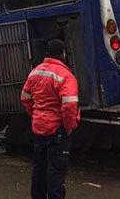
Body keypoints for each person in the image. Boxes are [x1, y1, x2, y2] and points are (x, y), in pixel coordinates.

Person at [20, 39, 80, 199]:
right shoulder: (66, 76)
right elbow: (69, 106)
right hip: (57, 130)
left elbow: (25, 97)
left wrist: (36, 116)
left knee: (39, 166)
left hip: (39, 128)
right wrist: (69, 126)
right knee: (56, 169)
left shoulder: (35, 72)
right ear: (63, 54)